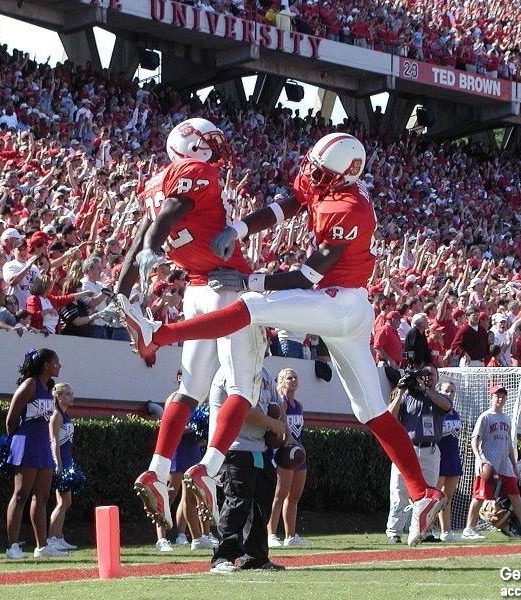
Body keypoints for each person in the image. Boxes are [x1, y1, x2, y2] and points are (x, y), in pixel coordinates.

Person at [118, 132, 446, 546]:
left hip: (338, 302)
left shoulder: (350, 207)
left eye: (323, 173)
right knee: (372, 410)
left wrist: (249, 279)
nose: (313, 176)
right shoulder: (329, 182)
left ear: (347, 175)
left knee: (253, 305)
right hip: (349, 308)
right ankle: (423, 493)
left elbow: (308, 275)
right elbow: (288, 205)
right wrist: (239, 227)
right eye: (315, 168)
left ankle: (159, 334)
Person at [117, 118, 268, 532]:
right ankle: (208, 467)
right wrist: (153, 247)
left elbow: (142, 236)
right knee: (243, 386)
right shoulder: (197, 172)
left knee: (190, 389)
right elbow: (171, 213)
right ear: (193, 145)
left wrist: (121, 290)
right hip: (227, 286)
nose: (216, 150)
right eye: (210, 142)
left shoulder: (156, 182)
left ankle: (157, 469)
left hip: (195, 290)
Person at [207, 365, 284, 573]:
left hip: (260, 448)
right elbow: (243, 411)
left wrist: (287, 435)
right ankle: (223, 557)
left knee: (261, 505)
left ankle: (256, 557)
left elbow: (278, 406)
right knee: (237, 502)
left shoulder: (265, 372)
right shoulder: (231, 371)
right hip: (234, 447)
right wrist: (272, 423)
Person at [462, 384, 521, 540]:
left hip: (504, 465)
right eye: (497, 396)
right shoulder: (485, 417)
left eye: (503, 396)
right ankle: (469, 528)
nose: (500, 399)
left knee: (515, 494)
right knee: (480, 496)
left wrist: (513, 465)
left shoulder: (506, 419)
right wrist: (479, 459)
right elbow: (474, 440)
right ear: (491, 397)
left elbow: (509, 445)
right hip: (489, 464)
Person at [5, 348, 63, 560]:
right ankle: (12, 546)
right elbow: (10, 420)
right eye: (56, 362)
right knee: (21, 495)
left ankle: (42, 546)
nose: (59, 366)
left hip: (42, 445)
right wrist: (16, 442)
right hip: (27, 443)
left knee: (43, 496)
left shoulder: (49, 388)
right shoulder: (29, 384)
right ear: (46, 364)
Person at [385, 366, 452, 543]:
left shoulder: (437, 397)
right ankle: (394, 532)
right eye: (424, 374)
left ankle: (424, 531)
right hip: (406, 449)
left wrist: (425, 390)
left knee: (428, 494)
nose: (427, 377)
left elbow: (447, 405)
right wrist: (400, 391)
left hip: (430, 450)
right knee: (399, 491)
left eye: (431, 374)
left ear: (437, 378)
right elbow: (389, 417)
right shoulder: (407, 396)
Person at [267, 368, 309, 548]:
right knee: (280, 494)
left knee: (294, 496)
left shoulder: (299, 405)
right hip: (284, 453)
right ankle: (271, 534)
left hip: (297, 452)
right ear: (282, 382)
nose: (293, 380)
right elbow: (279, 428)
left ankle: (290, 536)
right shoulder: (281, 403)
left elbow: (298, 431)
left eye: (295, 377)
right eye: (289, 378)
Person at [48, 382, 78, 552]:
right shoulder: (56, 415)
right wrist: (57, 463)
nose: (72, 397)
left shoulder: (65, 414)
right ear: (58, 396)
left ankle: (58, 537)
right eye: (67, 394)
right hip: (60, 461)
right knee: (63, 501)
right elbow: (53, 441)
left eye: (72, 393)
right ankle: (52, 538)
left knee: (65, 501)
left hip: (67, 460)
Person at [437, 380, 463, 542]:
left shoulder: (455, 413)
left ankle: (446, 532)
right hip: (439, 457)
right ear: (440, 391)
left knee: (447, 497)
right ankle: (423, 529)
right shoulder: (436, 411)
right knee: (435, 496)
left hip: (453, 456)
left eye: (452, 391)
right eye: (446, 390)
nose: (450, 394)